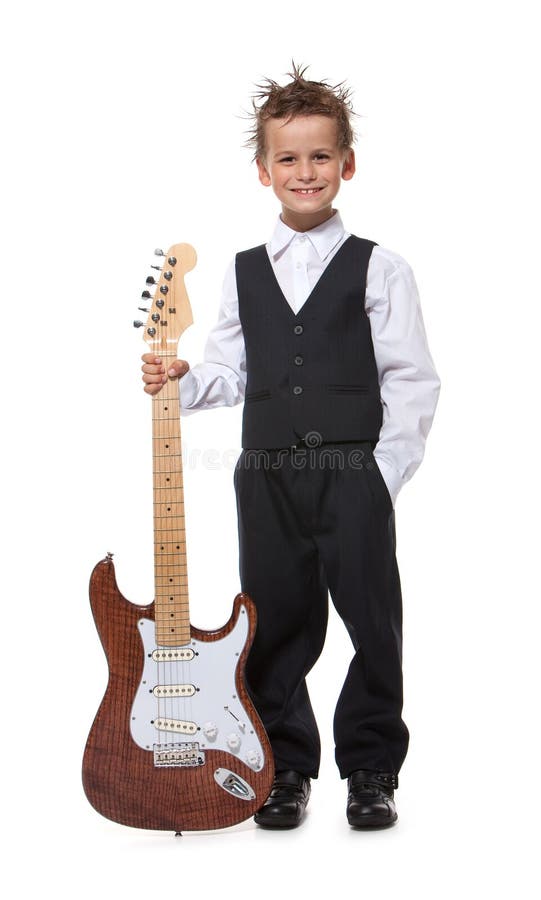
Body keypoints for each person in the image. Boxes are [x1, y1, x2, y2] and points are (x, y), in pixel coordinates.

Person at [142, 63, 441, 829]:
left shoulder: (380, 266)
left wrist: (379, 474)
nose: (303, 172)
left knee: (372, 621)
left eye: (318, 157)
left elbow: (412, 377)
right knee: (272, 623)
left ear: (345, 165)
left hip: (352, 472)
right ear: (263, 169)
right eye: (288, 158)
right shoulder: (242, 274)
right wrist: (180, 377)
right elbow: (228, 369)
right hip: (265, 474)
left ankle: (371, 768)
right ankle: (285, 767)